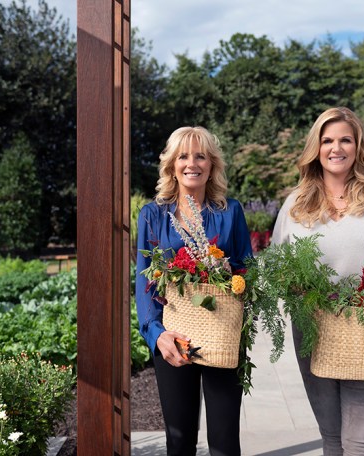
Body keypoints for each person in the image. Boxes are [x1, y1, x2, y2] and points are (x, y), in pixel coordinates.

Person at [271, 107, 364, 456]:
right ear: (316, 148)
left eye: (345, 140)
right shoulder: (296, 204)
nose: (335, 148)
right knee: (333, 439)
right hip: (312, 327)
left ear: (357, 146)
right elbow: (277, 262)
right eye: (327, 140)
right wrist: (292, 285)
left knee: (362, 442)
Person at [135, 126, 252, 456]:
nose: (192, 163)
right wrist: (156, 334)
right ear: (172, 164)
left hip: (222, 336)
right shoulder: (154, 215)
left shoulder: (230, 212)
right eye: (183, 156)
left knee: (225, 442)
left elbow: (248, 268)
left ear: (212, 164)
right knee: (180, 440)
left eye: (200, 155)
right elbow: (145, 283)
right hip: (174, 338)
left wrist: (233, 275)